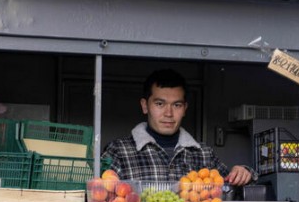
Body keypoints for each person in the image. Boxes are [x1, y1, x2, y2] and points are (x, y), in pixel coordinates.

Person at [102, 69, 256, 185]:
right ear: (145, 106)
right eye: (160, 104)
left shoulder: (203, 154)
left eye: (176, 105)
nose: (168, 113)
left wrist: (244, 172)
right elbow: (97, 196)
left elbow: (229, 186)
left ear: (185, 108)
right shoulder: (119, 152)